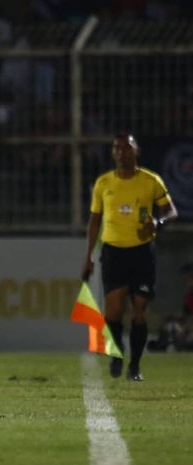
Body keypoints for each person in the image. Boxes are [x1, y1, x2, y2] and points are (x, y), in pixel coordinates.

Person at [82, 134, 178, 381]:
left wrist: (158, 221)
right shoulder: (103, 184)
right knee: (113, 312)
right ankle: (117, 354)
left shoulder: (150, 181)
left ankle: (135, 366)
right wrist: (89, 257)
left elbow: (170, 210)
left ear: (137, 151)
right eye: (116, 148)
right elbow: (94, 221)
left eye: (126, 148)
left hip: (142, 252)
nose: (121, 152)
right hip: (113, 252)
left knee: (139, 310)